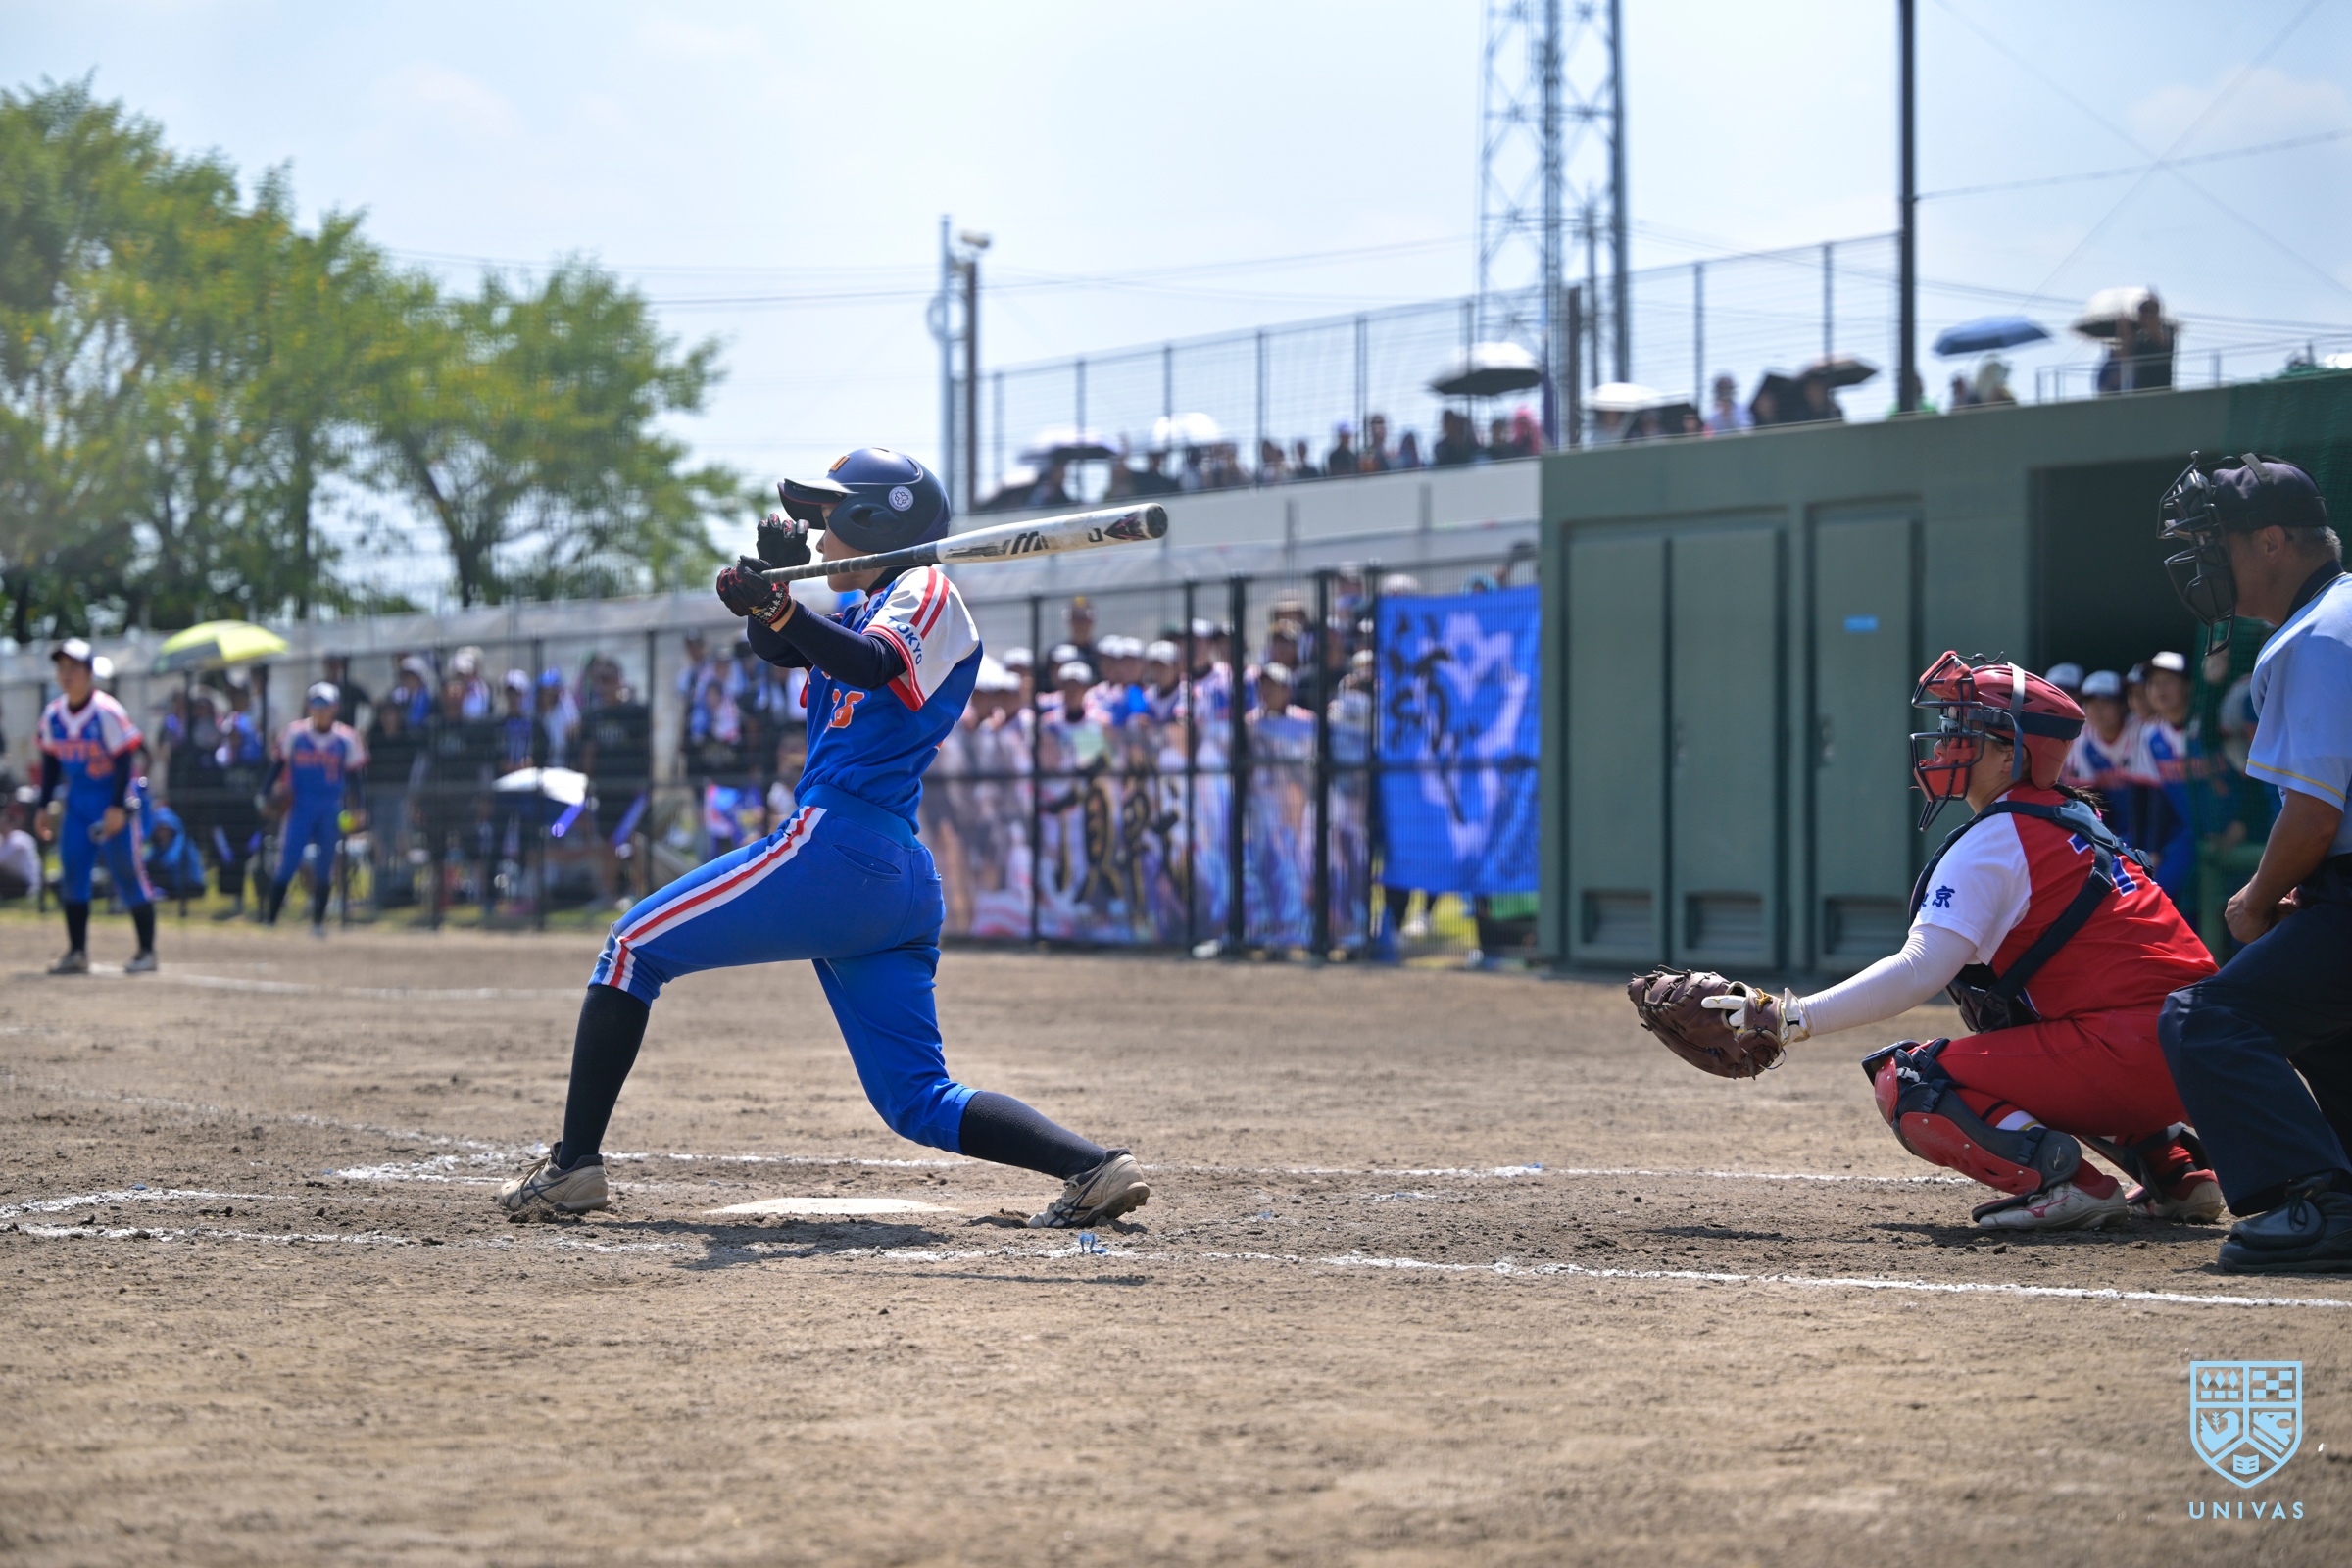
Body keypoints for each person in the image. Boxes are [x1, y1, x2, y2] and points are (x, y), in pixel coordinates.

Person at [497, 447, 1152, 1231]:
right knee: (916, 1099)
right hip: (884, 876)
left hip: (839, 848)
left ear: (876, 521)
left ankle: (573, 1167)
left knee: (631, 949)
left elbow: (871, 664)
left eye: (831, 520)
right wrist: (769, 592)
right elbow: (789, 647)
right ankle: (1092, 1166)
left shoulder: (924, 590)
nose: (820, 537)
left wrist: (778, 607)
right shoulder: (865, 608)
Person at [1633, 655, 2223, 1231]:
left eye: (1963, 731)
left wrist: (1789, 1018)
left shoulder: (1999, 837)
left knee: (1911, 1081)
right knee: (2027, 1030)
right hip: (2199, 1051)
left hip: (2131, 1050)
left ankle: (2069, 1185)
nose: (1943, 746)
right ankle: (2176, 1171)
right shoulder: (2069, 815)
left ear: (2012, 754)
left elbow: (1921, 969)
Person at [2153, 454, 2352, 1272]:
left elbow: (2314, 813)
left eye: (2218, 542)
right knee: (2325, 1020)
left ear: (2272, 542)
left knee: (2205, 1019)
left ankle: (2323, 1205)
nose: (2204, 561)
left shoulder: (2316, 636)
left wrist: (2259, 899)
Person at [34, 639, 159, 974]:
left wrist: (117, 807)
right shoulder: (53, 714)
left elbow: (124, 759)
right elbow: (50, 763)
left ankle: (147, 952)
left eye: (74, 668)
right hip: (78, 806)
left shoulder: (106, 711)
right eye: (61, 667)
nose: (66, 674)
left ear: (89, 673)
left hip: (111, 802)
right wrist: (44, 805)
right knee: (73, 872)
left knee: (128, 873)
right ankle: (77, 953)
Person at [263, 682, 368, 935]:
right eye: (316, 704)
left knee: (325, 865)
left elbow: (354, 777)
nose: (320, 710)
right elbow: (278, 765)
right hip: (300, 805)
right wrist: (264, 793)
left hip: (331, 807)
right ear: (309, 706)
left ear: (335, 708)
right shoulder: (295, 733)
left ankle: (318, 923)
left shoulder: (346, 737)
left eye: (326, 704)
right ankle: (270, 920)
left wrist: (360, 807)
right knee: (288, 861)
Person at [0, 785, 41, 900]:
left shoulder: (19, 838)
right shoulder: (3, 839)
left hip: (27, 886)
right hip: (14, 882)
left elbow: (2, 860)